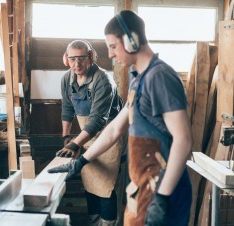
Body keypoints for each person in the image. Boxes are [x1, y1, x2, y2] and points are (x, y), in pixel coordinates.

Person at [48, 10, 193, 226]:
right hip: (142, 187)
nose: (111, 54)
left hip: (163, 190)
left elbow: (183, 140)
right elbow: (115, 128)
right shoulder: (139, 80)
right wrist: (80, 162)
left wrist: (162, 198)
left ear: (132, 40)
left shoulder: (160, 77)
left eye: (113, 46)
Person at [57, 39, 127, 226]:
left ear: (90, 57)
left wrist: (75, 143)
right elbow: (67, 109)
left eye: (81, 58)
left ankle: (107, 224)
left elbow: (97, 120)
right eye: (72, 59)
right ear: (66, 59)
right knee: (90, 185)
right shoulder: (67, 79)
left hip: (109, 138)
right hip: (86, 138)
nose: (77, 64)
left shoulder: (102, 80)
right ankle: (93, 222)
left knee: (106, 187)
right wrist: (66, 137)